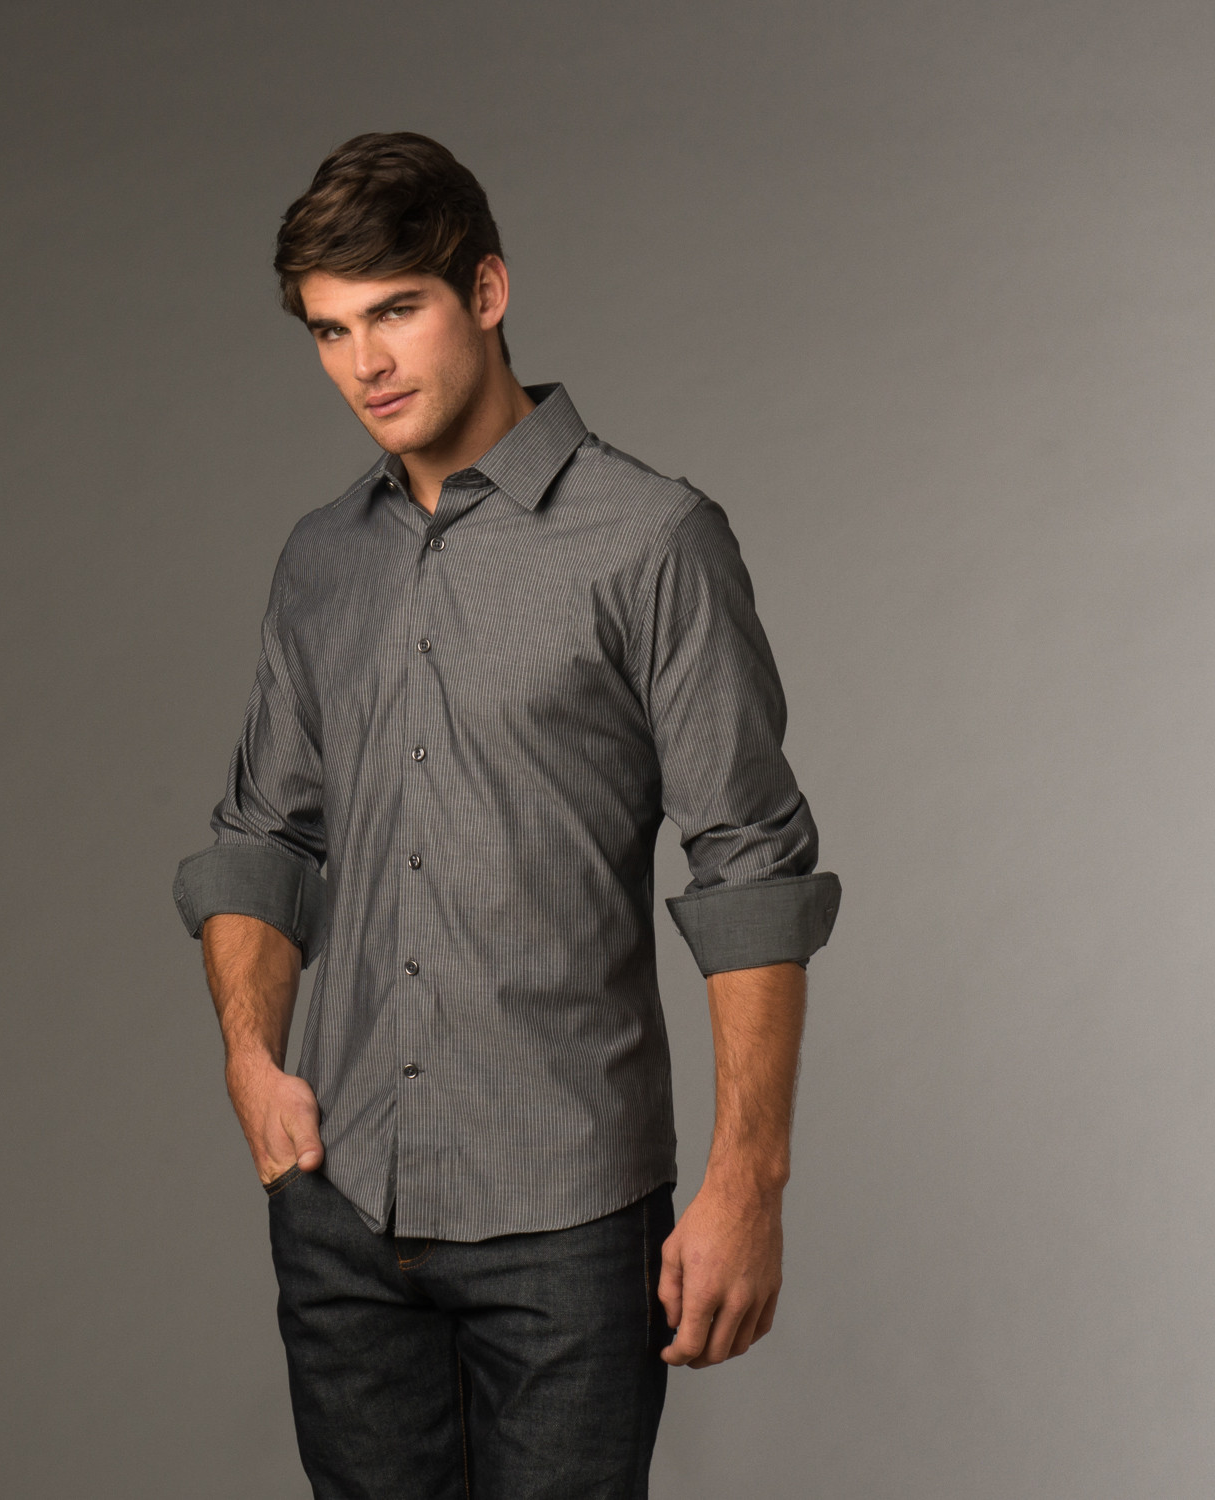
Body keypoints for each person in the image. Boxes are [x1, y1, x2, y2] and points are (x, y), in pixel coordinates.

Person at [172, 131, 840, 1500]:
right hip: (343, 1207)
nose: (365, 364)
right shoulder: (320, 560)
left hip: (570, 1222)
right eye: (331, 330)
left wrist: (748, 1180)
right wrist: (250, 1057)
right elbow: (264, 836)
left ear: (485, 291)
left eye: (395, 311)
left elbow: (750, 865)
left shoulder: (653, 541)